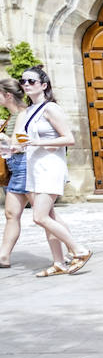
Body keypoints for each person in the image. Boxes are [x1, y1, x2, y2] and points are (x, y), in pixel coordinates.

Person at [14, 67, 93, 277]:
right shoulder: (30, 111)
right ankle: (58, 262)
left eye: (31, 81)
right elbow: (27, 142)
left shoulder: (51, 108)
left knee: (39, 217)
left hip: (50, 168)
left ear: (43, 85)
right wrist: (14, 147)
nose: (26, 84)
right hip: (35, 167)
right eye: (23, 81)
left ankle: (79, 250)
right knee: (48, 216)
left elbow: (69, 139)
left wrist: (38, 142)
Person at [0, 78, 33, 269]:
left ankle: (74, 250)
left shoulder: (24, 115)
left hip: (25, 168)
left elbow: (20, 145)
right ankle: (3, 256)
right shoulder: (13, 117)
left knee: (44, 215)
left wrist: (3, 138)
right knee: (11, 213)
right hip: (15, 168)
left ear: (8, 95)